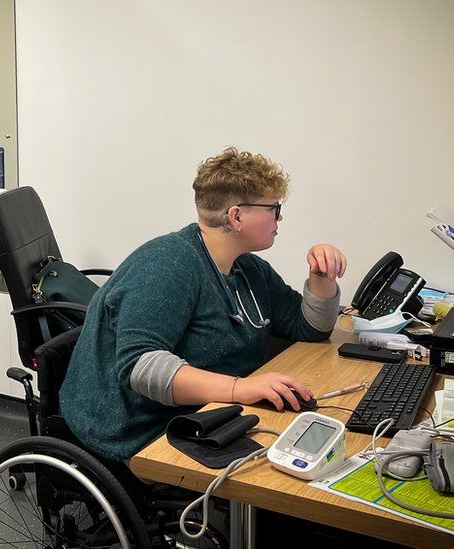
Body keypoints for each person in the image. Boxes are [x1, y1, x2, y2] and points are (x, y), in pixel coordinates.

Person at [58, 147, 347, 462]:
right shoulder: (167, 265)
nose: (280, 218)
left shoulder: (247, 268)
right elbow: (141, 368)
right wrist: (242, 388)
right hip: (135, 427)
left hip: (210, 413)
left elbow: (307, 328)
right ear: (236, 216)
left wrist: (322, 276)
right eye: (273, 208)